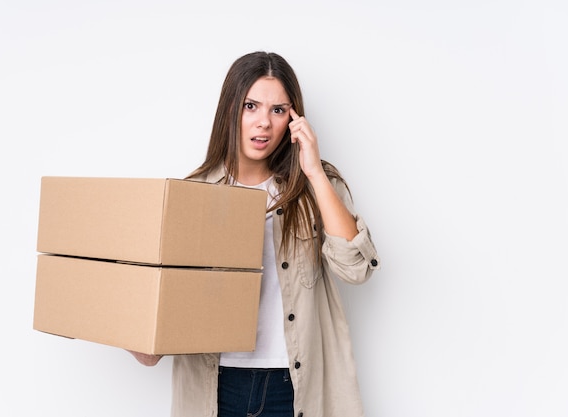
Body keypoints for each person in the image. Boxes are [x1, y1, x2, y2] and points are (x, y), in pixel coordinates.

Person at [129, 51, 380, 417]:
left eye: (278, 110)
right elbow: (165, 313)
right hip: (216, 385)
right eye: (251, 106)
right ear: (230, 109)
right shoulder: (190, 195)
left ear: (294, 119)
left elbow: (356, 269)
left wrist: (313, 171)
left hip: (293, 386)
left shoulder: (316, 186)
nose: (264, 123)